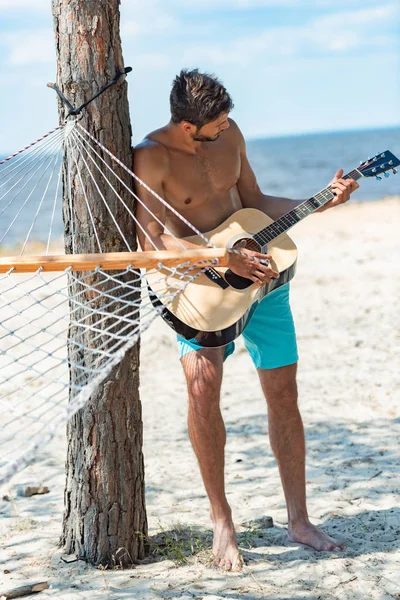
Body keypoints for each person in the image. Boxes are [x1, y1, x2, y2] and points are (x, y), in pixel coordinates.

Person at [134, 69, 359, 571]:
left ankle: (299, 520)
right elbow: (153, 244)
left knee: (284, 393)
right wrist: (220, 258)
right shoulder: (150, 157)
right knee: (202, 391)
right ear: (188, 126)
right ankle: (222, 522)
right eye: (217, 122)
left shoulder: (229, 134)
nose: (228, 126)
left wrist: (318, 203)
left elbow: (254, 201)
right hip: (199, 290)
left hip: (264, 280)